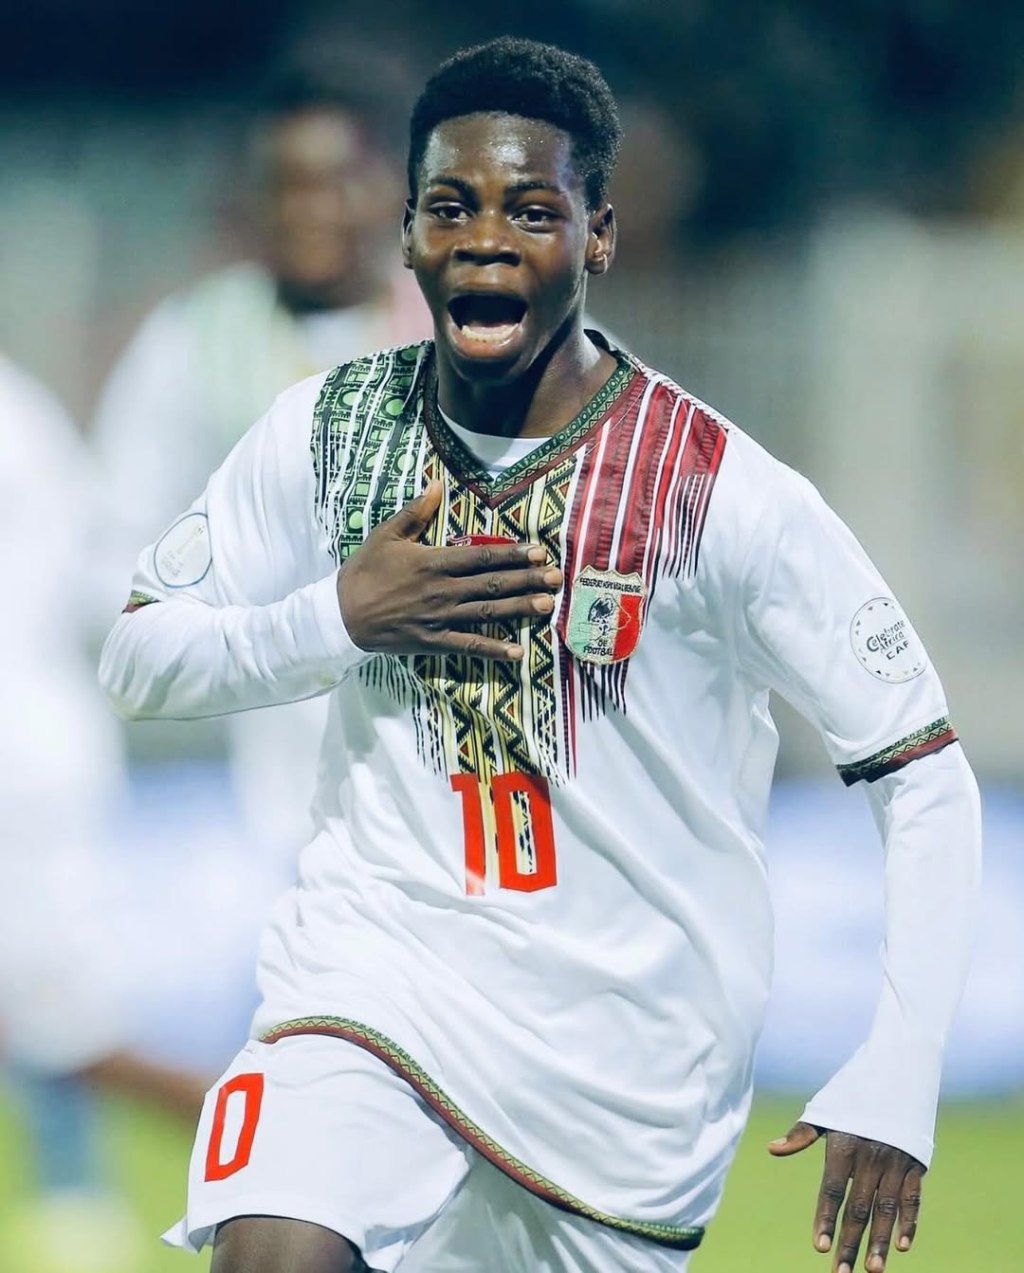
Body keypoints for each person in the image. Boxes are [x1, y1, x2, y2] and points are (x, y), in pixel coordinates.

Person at [99, 36, 981, 1273]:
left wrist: (900, 1062)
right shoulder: (326, 432)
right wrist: (336, 618)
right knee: (273, 1251)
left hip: (623, 1077)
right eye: (451, 207)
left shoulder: (718, 490)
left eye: (531, 210)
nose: (485, 241)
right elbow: (138, 655)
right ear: (408, 235)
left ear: (598, 234)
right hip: (372, 983)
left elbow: (923, 771)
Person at [92, 47, 430, 861]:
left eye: (336, 181)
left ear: (395, 190)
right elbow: (111, 552)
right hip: (240, 788)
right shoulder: (195, 341)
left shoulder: (464, 333)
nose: (309, 211)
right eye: (286, 185)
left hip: (432, 772)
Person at [0, 354, 205, 1272]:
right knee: (46, 1019)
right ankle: (73, 1196)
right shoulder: (23, 403)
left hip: (18, 760)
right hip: (44, 730)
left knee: (63, 1029)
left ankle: (295, 1152)